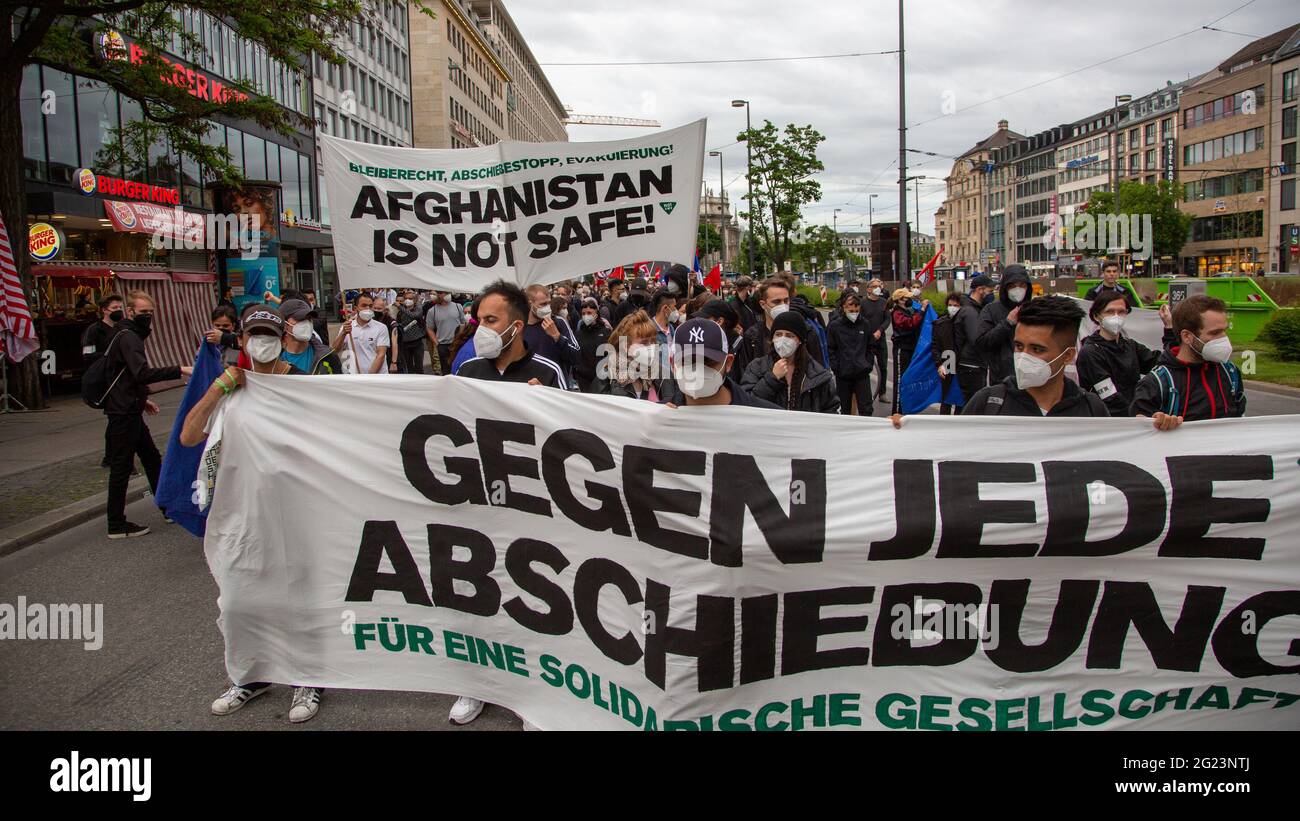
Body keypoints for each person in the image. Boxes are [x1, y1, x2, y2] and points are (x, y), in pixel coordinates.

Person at [101, 290, 194, 538]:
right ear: (130, 312)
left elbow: (124, 375)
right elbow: (140, 373)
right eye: (143, 312)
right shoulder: (128, 336)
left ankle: (166, 506)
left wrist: (143, 400)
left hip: (128, 406)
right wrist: (180, 369)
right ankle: (116, 524)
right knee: (122, 466)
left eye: (151, 312)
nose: (148, 317)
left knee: (152, 459)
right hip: (123, 411)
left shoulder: (124, 333)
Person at [961, 295, 1108, 417]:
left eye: (1037, 349)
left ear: (1068, 356)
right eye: (1019, 346)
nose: (1023, 357)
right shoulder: (988, 404)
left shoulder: (1091, 410)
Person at [1129, 295, 1245, 428]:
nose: (1223, 339)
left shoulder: (1230, 372)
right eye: (1215, 333)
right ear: (1187, 336)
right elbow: (1138, 428)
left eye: (1224, 331)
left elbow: (1240, 419)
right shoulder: (1158, 382)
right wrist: (1156, 421)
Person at [1075, 289, 1175, 417]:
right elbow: (1110, 398)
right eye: (1110, 312)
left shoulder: (1129, 345)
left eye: (1121, 312)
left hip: (1134, 418)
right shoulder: (1090, 352)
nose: (1116, 316)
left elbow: (1163, 362)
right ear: (1096, 316)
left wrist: (1169, 329)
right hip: (1109, 422)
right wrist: (1138, 413)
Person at [456, 281, 564, 387]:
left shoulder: (549, 373)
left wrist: (544, 399)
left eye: (491, 320)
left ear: (516, 327)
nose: (481, 328)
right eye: (480, 321)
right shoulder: (467, 370)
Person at [663, 318, 779, 409]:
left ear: (728, 363)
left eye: (708, 361)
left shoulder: (765, 417)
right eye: (688, 361)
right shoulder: (657, 419)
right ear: (673, 364)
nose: (698, 369)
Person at [741, 310, 839, 413]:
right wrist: (772, 379)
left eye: (789, 335)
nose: (783, 340)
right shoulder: (757, 367)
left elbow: (831, 411)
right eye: (778, 334)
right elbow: (747, 403)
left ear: (800, 340)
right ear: (772, 338)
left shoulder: (818, 374)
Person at [734, 277, 825, 375]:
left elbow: (818, 373)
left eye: (786, 301)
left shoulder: (806, 332)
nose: (783, 306)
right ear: (763, 304)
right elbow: (746, 375)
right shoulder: (752, 336)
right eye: (776, 302)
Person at [83, 293, 125, 468]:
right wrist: (108, 357)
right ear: (104, 310)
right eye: (115, 308)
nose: (118, 311)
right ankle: (114, 457)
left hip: (120, 378)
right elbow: (87, 355)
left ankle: (113, 456)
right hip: (105, 379)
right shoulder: (94, 330)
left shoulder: (121, 328)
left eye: (120, 308)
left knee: (119, 419)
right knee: (116, 418)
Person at [974, 263, 1032, 384]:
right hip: (1002, 380)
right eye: (1012, 286)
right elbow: (981, 342)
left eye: (1022, 285)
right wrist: (1007, 323)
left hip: (1030, 378)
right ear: (1005, 287)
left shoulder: (1034, 309)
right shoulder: (991, 310)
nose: (1018, 289)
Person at [602, 309, 677, 401]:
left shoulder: (664, 374)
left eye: (653, 341)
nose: (651, 346)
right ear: (626, 346)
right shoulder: (607, 374)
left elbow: (675, 404)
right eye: (644, 343)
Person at [826, 291, 875, 415]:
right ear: (844, 307)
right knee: (845, 409)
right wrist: (837, 368)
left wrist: (868, 365)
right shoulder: (835, 326)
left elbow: (870, 346)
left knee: (866, 408)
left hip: (862, 374)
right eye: (851, 309)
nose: (854, 312)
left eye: (856, 309)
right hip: (843, 375)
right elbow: (830, 349)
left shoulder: (865, 324)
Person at [522, 284, 580, 385]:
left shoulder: (558, 322)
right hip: (529, 386)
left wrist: (557, 336)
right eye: (543, 304)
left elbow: (576, 357)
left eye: (549, 303)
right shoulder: (520, 328)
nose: (548, 308)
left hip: (555, 387)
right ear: (529, 304)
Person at [888, 287, 928, 414]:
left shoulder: (907, 310)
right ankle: (897, 412)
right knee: (901, 380)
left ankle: (905, 408)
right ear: (900, 300)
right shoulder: (897, 313)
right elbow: (910, 323)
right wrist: (921, 311)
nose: (910, 300)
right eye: (908, 298)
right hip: (902, 349)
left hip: (910, 348)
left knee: (910, 379)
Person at [278, 298, 344, 374]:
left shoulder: (328, 356)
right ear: (285, 325)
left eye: (309, 319)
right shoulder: (272, 358)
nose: (306, 323)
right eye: (300, 319)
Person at [333, 292, 389, 374]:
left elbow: (380, 355)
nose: (367, 308)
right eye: (364, 305)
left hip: (376, 378)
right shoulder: (347, 326)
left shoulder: (381, 328)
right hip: (353, 377)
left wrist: (368, 377)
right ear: (356, 308)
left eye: (370, 306)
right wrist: (343, 333)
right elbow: (334, 351)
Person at [930, 293, 963, 414]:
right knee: (946, 400)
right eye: (950, 305)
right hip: (947, 361)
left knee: (961, 402)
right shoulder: (940, 323)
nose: (952, 307)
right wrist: (939, 364)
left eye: (956, 305)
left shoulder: (965, 322)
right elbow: (935, 346)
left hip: (963, 364)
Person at [860, 278, 891, 403]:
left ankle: (882, 393)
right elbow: (860, 320)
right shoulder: (863, 303)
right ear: (868, 289)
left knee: (883, 366)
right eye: (874, 286)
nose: (878, 288)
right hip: (867, 340)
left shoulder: (884, 302)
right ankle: (866, 393)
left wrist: (880, 330)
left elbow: (887, 319)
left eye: (879, 286)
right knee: (867, 366)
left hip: (881, 339)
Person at [573, 297, 611, 393]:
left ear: (596, 314)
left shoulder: (606, 332)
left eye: (589, 313)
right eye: (583, 314)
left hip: (602, 379)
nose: (586, 316)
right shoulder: (578, 334)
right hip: (583, 379)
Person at [424, 290, 464, 375]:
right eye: (443, 293)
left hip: (457, 344)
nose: (446, 295)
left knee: (459, 368)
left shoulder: (458, 306)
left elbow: (463, 323)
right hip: (442, 346)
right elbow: (429, 328)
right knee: (446, 371)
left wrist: (461, 339)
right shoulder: (432, 311)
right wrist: (436, 342)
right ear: (438, 295)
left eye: (447, 293)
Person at [392, 289, 427, 374]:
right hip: (405, 343)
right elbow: (397, 323)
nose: (408, 300)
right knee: (409, 367)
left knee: (419, 367)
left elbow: (413, 316)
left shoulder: (418, 308)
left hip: (417, 342)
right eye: (406, 298)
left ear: (414, 300)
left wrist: (400, 307)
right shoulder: (400, 312)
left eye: (410, 298)